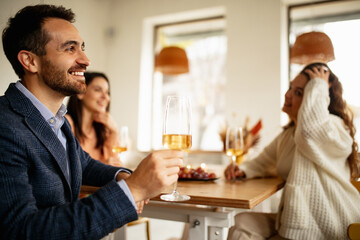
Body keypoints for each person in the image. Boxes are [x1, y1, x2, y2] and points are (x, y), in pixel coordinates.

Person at [0, 4, 183, 240]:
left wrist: (123, 176)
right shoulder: (5, 125)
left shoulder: (57, 120)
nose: (85, 60)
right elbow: (21, 231)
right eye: (70, 48)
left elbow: (83, 165)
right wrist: (133, 190)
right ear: (30, 61)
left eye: (82, 48)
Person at [224, 62, 360, 239]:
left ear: (315, 97)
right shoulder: (288, 135)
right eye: (290, 88)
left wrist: (318, 85)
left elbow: (309, 133)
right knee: (241, 224)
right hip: (295, 222)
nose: (287, 95)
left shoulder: (335, 127)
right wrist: (242, 169)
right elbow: (262, 162)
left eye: (298, 93)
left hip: (330, 228)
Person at [66, 71, 121, 164]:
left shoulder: (103, 131)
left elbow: (115, 164)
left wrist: (115, 132)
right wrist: (102, 170)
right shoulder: (67, 124)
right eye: (98, 90)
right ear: (80, 93)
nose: (105, 97)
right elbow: (67, 171)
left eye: (107, 92)